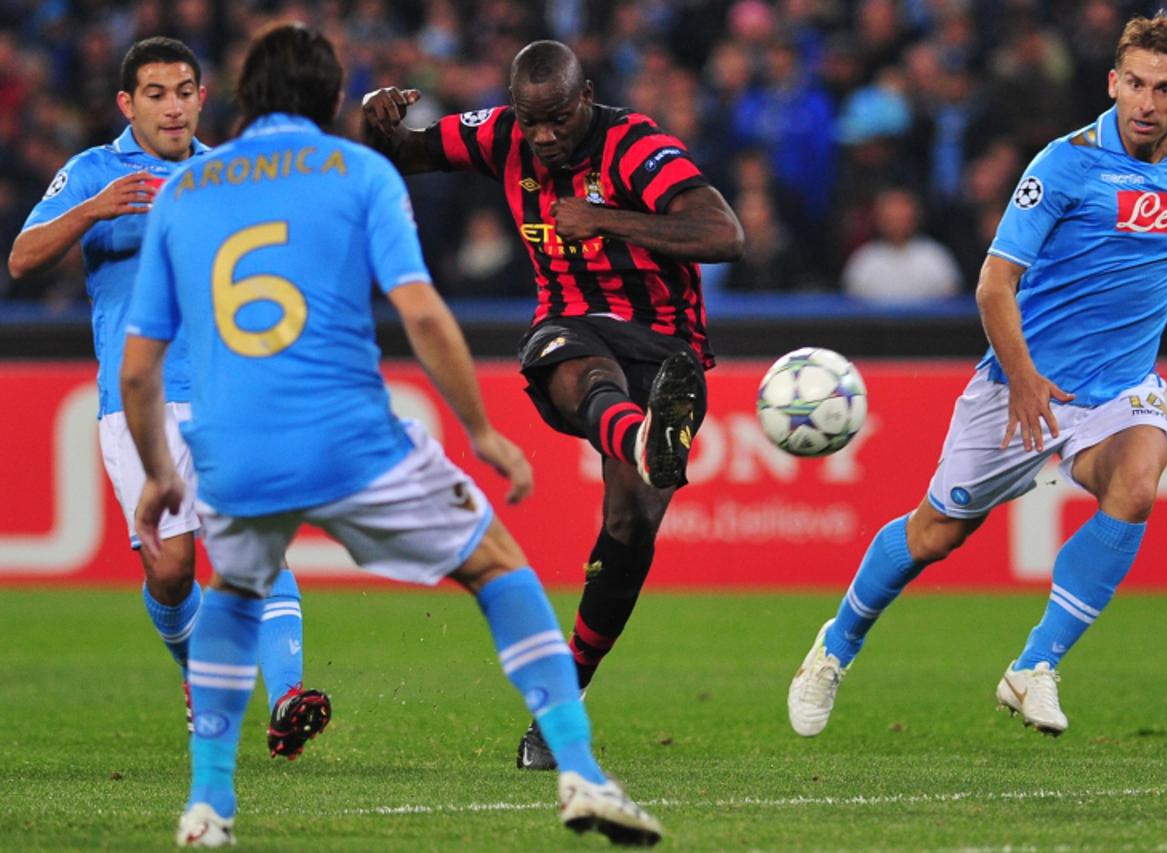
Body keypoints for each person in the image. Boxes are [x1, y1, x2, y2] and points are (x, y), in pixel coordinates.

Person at [120, 23, 662, 848]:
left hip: (234, 446)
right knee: (496, 565)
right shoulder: (359, 171)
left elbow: (137, 369)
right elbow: (421, 312)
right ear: (331, 97)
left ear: (242, 96)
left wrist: (161, 473)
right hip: (350, 439)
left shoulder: (185, 191)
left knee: (232, 592)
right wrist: (481, 429)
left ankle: (208, 805)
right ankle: (581, 770)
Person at [788, 12, 1167, 738]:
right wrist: (1024, 377)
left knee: (1136, 483)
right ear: (1113, 82)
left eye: (1164, 88)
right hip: (1022, 382)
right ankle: (836, 644)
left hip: (1120, 387)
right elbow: (993, 285)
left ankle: (1036, 665)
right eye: (1135, 84)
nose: (1147, 102)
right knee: (935, 534)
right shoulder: (1064, 164)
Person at [362, 40, 744, 770]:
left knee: (630, 525)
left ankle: (564, 694)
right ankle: (641, 438)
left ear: (586, 97)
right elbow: (403, 154)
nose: (542, 137)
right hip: (571, 323)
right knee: (578, 364)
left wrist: (608, 219)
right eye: (530, 120)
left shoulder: (635, 146)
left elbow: (724, 233)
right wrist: (378, 124)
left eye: (558, 120)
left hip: (666, 345)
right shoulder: (501, 133)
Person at [6, 36, 329, 758]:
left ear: (202, 97)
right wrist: (93, 211)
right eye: (156, 94)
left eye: (184, 91)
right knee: (172, 567)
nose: (173, 106)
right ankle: (199, 674)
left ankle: (287, 698)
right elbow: (22, 258)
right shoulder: (94, 171)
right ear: (128, 103)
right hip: (139, 401)